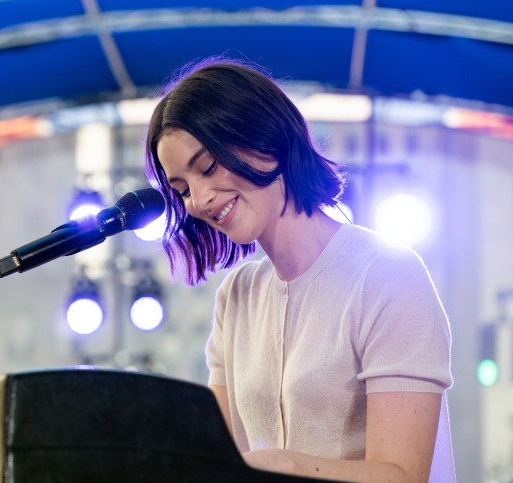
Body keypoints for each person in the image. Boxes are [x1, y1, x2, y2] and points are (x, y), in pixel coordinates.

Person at [144, 57, 454, 482]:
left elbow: (402, 476)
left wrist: (285, 465)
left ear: (265, 138)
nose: (197, 200)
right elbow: (214, 459)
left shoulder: (387, 275)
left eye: (208, 168)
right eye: (181, 190)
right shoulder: (236, 296)